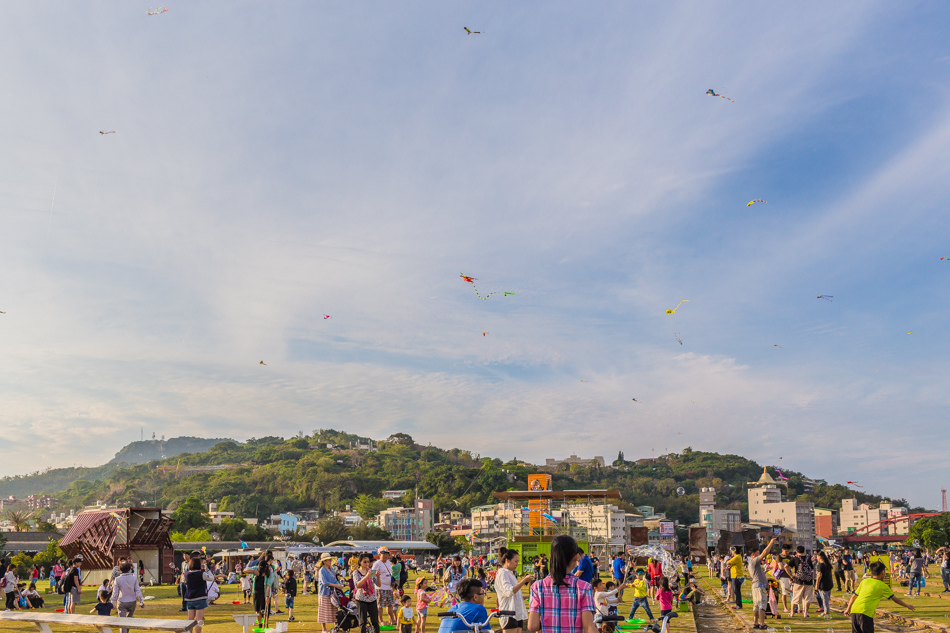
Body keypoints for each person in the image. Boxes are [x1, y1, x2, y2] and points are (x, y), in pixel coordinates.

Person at [527, 534, 598, 633]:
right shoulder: (584, 587)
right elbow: (589, 627)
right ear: (576, 557)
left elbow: (532, 626)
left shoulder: (537, 586)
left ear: (551, 556)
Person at [844, 561, 914, 633]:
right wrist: (907, 605)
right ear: (883, 572)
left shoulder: (864, 581)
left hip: (854, 611)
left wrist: (848, 609)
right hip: (865, 612)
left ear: (871, 573)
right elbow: (896, 600)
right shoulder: (883, 586)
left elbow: (853, 596)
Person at [495, 549, 534, 633]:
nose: (517, 564)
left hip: (517, 613)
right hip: (508, 613)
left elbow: (515, 595)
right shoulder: (503, 574)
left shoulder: (510, 573)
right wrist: (524, 581)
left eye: (518, 561)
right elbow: (509, 592)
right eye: (515, 561)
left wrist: (528, 596)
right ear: (507, 560)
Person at [748, 538, 776, 629]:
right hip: (759, 586)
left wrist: (765, 571)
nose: (759, 555)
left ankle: (756, 623)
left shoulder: (752, 564)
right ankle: (762, 624)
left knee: (756, 605)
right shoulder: (754, 561)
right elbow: (765, 553)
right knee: (762, 604)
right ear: (753, 554)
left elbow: (756, 576)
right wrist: (771, 543)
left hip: (756, 585)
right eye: (757, 553)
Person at [110, 561, 145, 633]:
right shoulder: (134, 578)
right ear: (129, 569)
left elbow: (115, 593)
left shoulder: (117, 579)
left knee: (122, 622)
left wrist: (112, 603)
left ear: (120, 569)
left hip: (122, 601)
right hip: (132, 601)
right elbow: (138, 591)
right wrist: (141, 602)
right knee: (128, 621)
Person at [183, 554, 214, 633]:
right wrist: (206, 569)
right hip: (200, 598)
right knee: (199, 620)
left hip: (189, 598)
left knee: (190, 620)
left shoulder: (186, 574)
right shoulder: (201, 574)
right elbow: (211, 578)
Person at [783, 546, 814, 618]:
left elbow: (785, 567)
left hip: (798, 581)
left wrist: (791, 576)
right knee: (807, 598)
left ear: (797, 552)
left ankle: (792, 613)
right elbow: (812, 569)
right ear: (804, 551)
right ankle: (805, 613)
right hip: (808, 581)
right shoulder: (809, 558)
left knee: (795, 598)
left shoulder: (795, 559)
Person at [318, 552, 345, 631]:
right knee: (323, 611)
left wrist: (339, 585)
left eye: (330, 560)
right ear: (324, 561)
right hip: (324, 593)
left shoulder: (331, 570)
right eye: (328, 560)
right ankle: (324, 629)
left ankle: (336, 627)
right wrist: (336, 585)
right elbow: (324, 582)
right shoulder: (322, 570)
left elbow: (335, 580)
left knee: (334, 610)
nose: (330, 561)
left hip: (332, 593)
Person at [353, 553, 381, 633]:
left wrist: (378, 577)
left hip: (372, 598)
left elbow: (378, 584)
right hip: (361, 599)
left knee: (375, 621)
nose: (367, 564)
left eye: (368, 562)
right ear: (360, 562)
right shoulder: (356, 572)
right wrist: (366, 576)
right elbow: (357, 585)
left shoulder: (371, 572)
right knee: (363, 622)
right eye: (364, 562)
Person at [374, 547, 397, 626]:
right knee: (380, 605)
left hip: (389, 587)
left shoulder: (388, 562)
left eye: (387, 554)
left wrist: (392, 582)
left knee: (390, 604)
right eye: (383, 554)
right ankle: (381, 620)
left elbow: (390, 573)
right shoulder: (377, 563)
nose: (385, 556)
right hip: (381, 587)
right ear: (379, 555)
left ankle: (393, 620)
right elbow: (372, 575)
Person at [815, 551, 834, 616]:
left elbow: (819, 575)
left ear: (819, 557)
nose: (816, 557)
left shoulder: (820, 565)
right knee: (827, 598)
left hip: (823, 584)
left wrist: (816, 585)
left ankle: (826, 612)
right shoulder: (827, 564)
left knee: (824, 598)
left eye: (817, 556)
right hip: (829, 583)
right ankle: (827, 610)